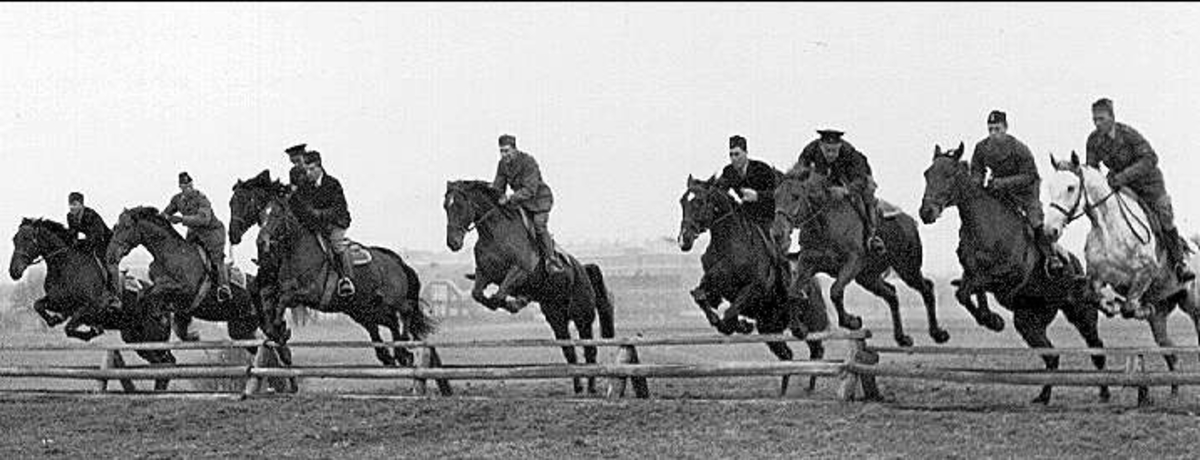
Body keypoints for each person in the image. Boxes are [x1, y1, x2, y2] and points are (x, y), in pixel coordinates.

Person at [1086, 98, 1195, 283]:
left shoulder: (1129, 134)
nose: (1097, 123)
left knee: (1164, 218)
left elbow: (1150, 158)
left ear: (1112, 117)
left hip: (1149, 185)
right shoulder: (1093, 140)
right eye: (1094, 119)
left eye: (1101, 119)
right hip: (1122, 187)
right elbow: (1092, 170)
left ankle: (1179, 263)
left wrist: (1122, 177)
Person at [971, 110, 1064, 275]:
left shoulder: (1019, 148)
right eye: (990, 129)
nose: (993, 133)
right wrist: (977, 185)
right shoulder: (982, 148)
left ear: (1005, 128)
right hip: (1000, 192)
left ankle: (1051, 257)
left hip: (1025, 192)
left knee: (1035, 221)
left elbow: (1030, 175)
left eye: (997, 129)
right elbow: (977, 171)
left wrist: (1003, 183)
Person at [796, 129, 885, 253]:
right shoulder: (810, 150)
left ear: (840, 147)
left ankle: (872, 235)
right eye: (827, 150)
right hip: (826, 177)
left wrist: (845, 191)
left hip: (855, 177)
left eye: (834, 151)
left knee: (864, 197)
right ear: (821, 146)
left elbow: (860, 180)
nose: (830, 154)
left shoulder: (851, 154)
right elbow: (800, 171)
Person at [492, 134, 563, 274]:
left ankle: (551, 260)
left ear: (514, 149)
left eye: (506, 151)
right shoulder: (502, 165)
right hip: (521, 202)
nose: (504, 155)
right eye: (501, 151)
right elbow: (498, 186)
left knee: (538, 226)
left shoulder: (528, 162)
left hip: (539, 202)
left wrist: (510, 198)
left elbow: (530, 190)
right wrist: (492, 194)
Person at [290, 150, 356, 297]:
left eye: (312, 169)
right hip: (317, 225)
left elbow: (339, 208)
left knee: (336, 245)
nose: (309, 173)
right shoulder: (305, 186)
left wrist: (320, 214)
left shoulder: (332, 183)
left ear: (320, 167)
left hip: (336, 223)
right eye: (306, 170)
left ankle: (345, 279)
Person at [162, 172, 232, 302]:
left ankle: (223, 287)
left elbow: (203, 220)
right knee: (184, 253)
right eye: (185, 187)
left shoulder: (201, 198)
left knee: (217, 258)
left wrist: (181, 219)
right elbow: (165, 213)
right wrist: (161, 218)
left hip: (212, 233)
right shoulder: (177, 199)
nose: (188, 189)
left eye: (190, 186)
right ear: (180, 187)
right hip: (194, 232)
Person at [714, 135, 777, 235]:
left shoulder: (762, 169)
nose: (733, 158)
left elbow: (778, 195)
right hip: (746, 218)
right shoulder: (729, 171)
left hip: (767, 218)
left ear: (746, 153)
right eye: (731, 155)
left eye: (737, 154)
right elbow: (717, 189)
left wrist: (757, 196)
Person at [66, 191, 112, 263]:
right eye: (70, 204)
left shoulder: (90, 214)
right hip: (90, 239)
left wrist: (84, 244)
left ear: (81, 205)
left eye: (74, 204)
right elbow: (73, 233)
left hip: (105, 239)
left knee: (98, 254)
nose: (71, 207)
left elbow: (98, 234)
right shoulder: (70, 216)